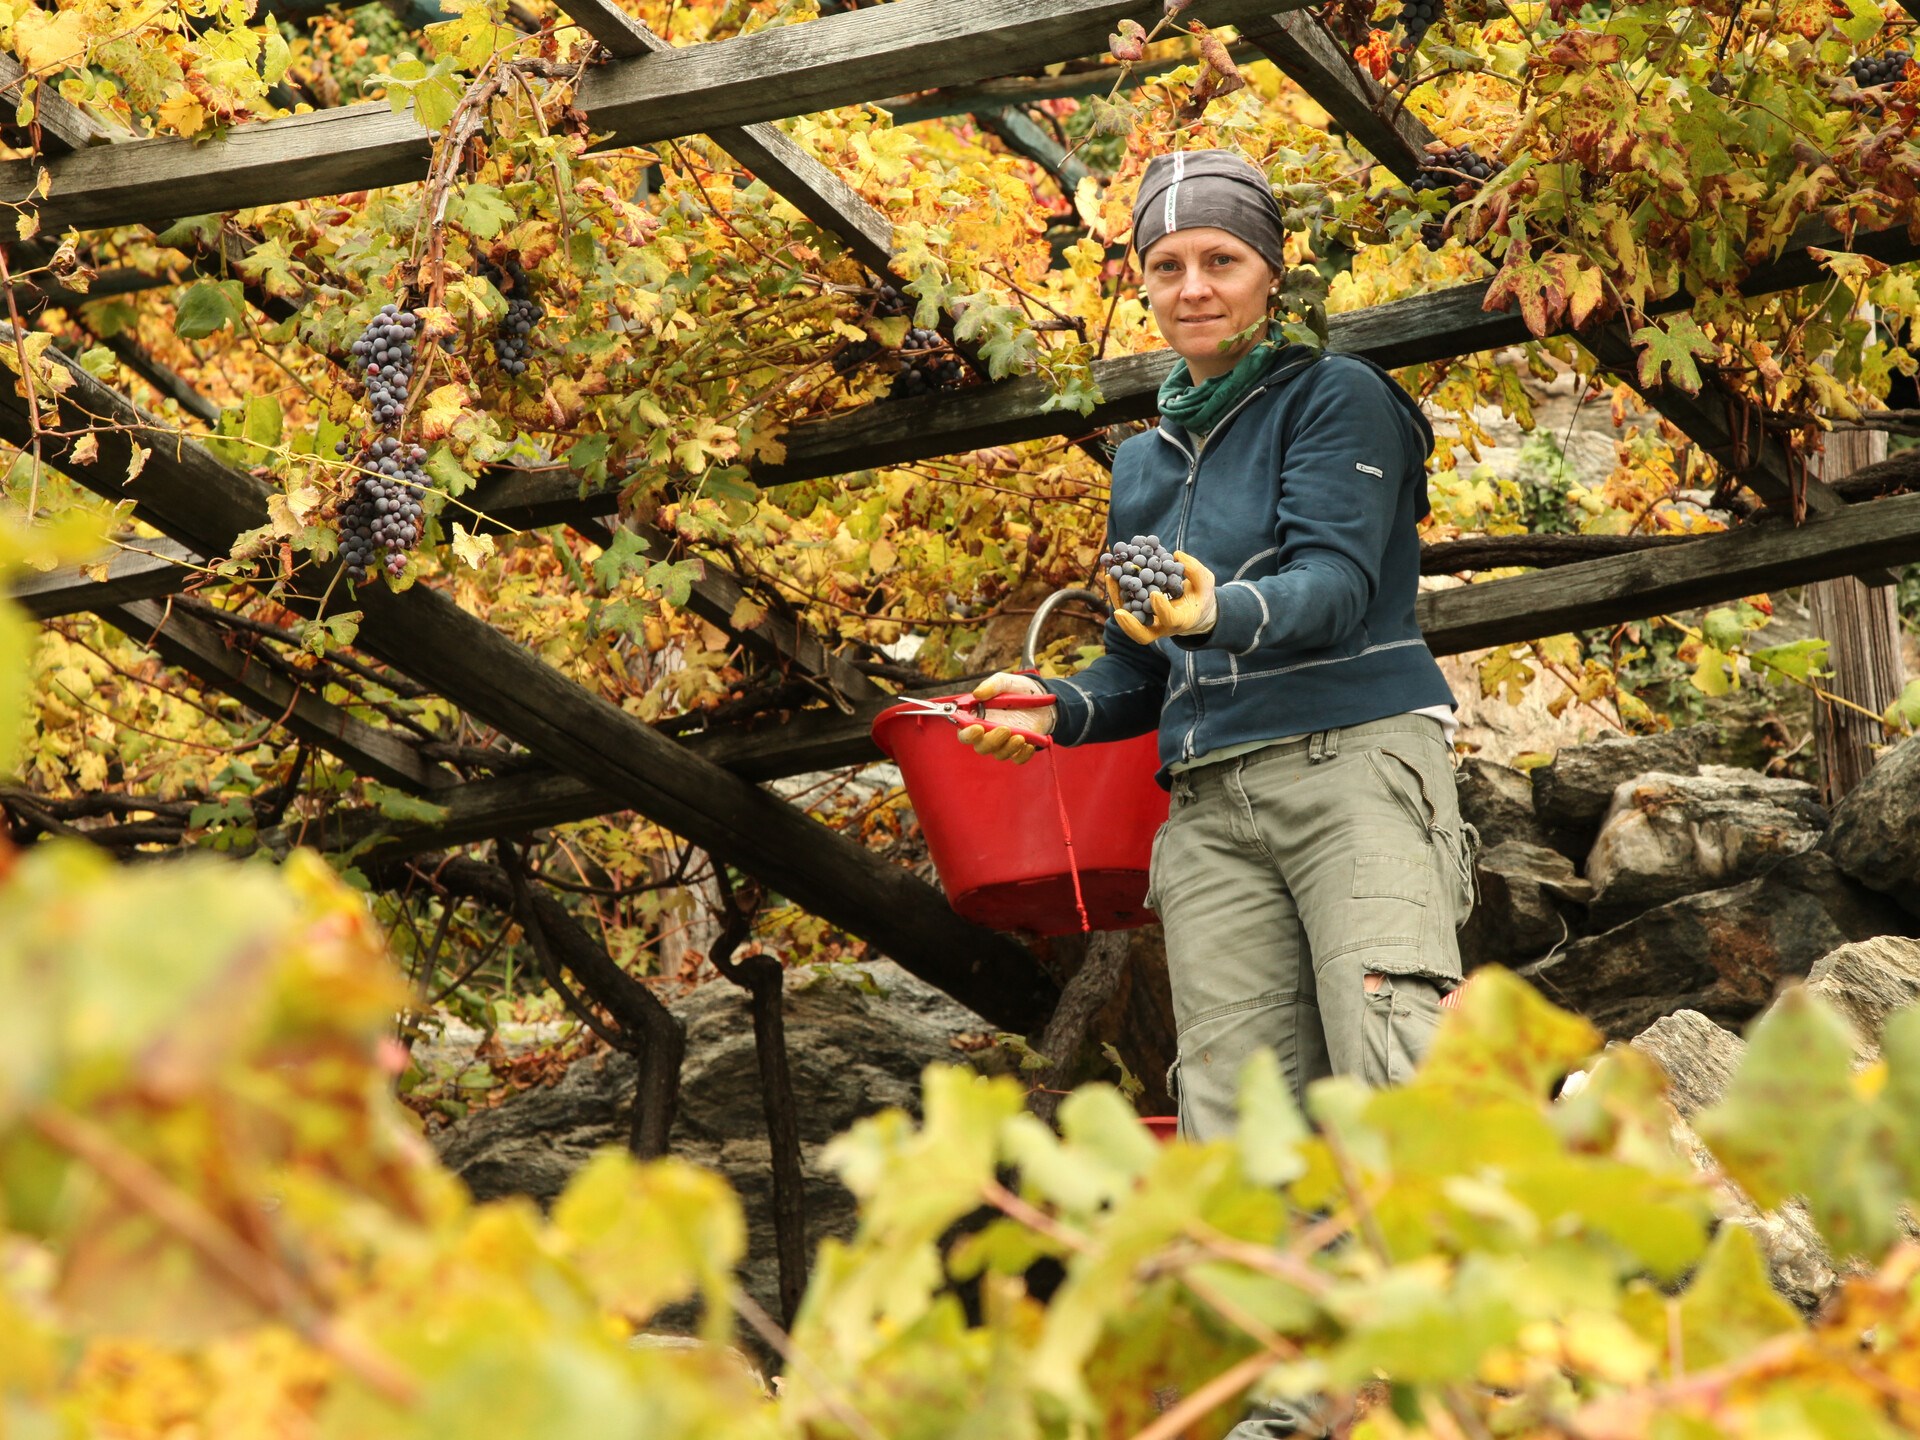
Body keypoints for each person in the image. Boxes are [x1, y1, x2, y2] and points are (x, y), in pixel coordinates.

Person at [960, 146, 1477, 1437]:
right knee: (1234, 1108)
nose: (1193, 286)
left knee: (1390, 1046)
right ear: (1141, 283)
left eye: (1221, 260)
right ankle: (1288, 1401)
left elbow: (1334, 588)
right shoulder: (1147, 461)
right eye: (1167, 265)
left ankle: (1454, 1368)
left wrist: (1216, 609)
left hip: (1352, 761)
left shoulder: (1337, 398)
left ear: (1269, 273)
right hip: (1210, 806)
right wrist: (1056, 708)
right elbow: (1142, 666)